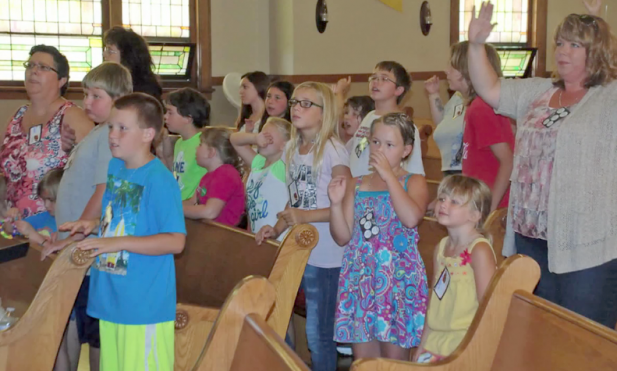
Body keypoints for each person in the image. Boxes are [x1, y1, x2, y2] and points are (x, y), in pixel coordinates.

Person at [467, 3, 617, 328]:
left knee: (581, 340)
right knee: (535, 335)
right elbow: (488, 88)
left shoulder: (609, 98)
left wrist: (600, 22)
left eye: (575, 44)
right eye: (560, 43)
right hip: (529, 238)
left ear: (597, 51)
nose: (563, 50)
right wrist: (476, 45)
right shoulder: (538, 91)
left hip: (584, 244)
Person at [61, 93, 186, 371]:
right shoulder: (115, 167)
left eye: (122, 128)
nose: (113, 135)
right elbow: (123, 219)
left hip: (143, 306)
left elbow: (175, 241)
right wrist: (93, 225)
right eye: (110, 127)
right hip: (111, 296)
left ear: (148, 134)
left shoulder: (159, 180)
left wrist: (114, 242)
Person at [255, 82, 351, 371]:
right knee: (280, 314)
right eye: (295, 102)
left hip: (327, 253)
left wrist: (304, 217)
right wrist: (276, 227)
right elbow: (294, 201)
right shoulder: (293, 149)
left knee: (319, 334)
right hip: (298, 246)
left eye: (306, 104)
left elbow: (346, 205)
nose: (297, 108)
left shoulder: (333, 150)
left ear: (324, 113)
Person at [329, 112, 429, 361]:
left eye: (389, 145)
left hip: (397, 279)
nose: (380, 150)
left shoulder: (413, 181)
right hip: (361, 278)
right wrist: (335, 205)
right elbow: (343, 237)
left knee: (393, 362)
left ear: (406, 150)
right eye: (375, 142)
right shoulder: (357, 183)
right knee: (364, 362)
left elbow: (411, 218)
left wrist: (388, 177)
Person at [0, 45, 93, 218]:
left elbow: (94, 173)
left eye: (43, 67)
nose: (33, 71)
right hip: (12, 221)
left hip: (53, 224)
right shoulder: (17, 116)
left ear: (62, 80)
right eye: (30, 65)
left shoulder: (72, 116)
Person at [413, 175, 496, 363]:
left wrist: (475, 350)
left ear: (475, 215)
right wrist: (423, 342)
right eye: (442, 199)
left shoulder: (479, 250)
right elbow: (434, 298)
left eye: (454, 202)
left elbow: (488, 308)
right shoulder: (441, 248)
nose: (443, 204)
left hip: (464, 343)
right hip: (436, 342)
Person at [455, 41, 514, 211]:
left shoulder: (481, 107)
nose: (446, 72)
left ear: (466, 71)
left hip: (492, 203)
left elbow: (507, 161)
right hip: (477, 199)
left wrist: (489, 208)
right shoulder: (476, 106)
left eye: (452, 67)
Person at [347, 61, 424, 177]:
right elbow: (359, 150)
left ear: (398, 90)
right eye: (373, 78)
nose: (376, 82)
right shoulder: (369, 116)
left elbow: (415, 169)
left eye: (384, 79)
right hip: (359, 186)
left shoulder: (404, 124)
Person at [231, 117, 290, 235]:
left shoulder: (283, 166)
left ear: (284, 145)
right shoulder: (258, 163)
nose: (264, 141)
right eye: (263, 135)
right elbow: (234, 139)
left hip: (278, 236)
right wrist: (255, 138)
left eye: (269, 137)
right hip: (258, 234)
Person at [183, 127, 245, 227]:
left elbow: (210, 212)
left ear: (211, 152)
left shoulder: (226, 173)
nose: (196, 148)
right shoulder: (207, 176)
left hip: (225, 237)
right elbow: (192, 202)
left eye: (200, 145)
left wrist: (175, 210)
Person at [163, 88, 210, 200]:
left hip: (194, 205)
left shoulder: (203, 142)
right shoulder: (180, 142)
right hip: (180, 201)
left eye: (170, 112)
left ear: (188, 118)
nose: (165, 116)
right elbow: (177, 173)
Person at [103, 26, 162, 102]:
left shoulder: (144, 90)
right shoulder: (111, 81)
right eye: (106, 49)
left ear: (127, 55)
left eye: (110, 50)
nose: (104, 54)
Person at [424, 77, 465, 177]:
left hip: (465, 167)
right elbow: (442, 122)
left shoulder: (480, 95)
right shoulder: (458, 96)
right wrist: (433, 94)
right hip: (450, 167)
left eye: (452, 69)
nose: (447, 72)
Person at [12, 168, 62, 245]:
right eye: (44, 200)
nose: (46, 205)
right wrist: (12, 219)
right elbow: (13, 229)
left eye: (51, 200)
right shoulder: (44, 216)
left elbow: (55, 254)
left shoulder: (69, 226)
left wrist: (33, 234)